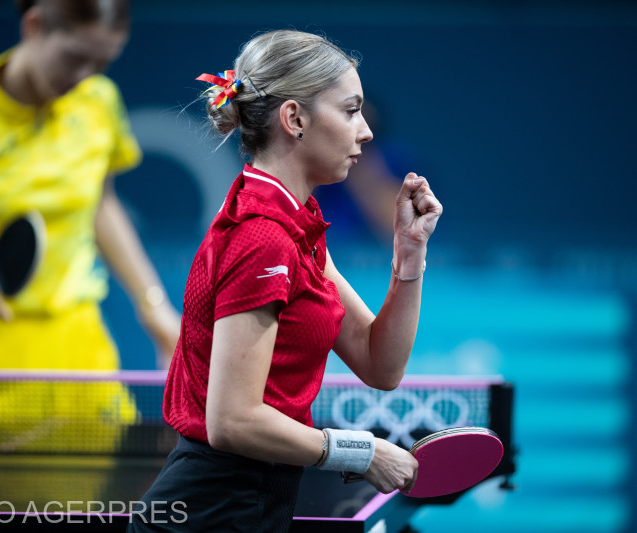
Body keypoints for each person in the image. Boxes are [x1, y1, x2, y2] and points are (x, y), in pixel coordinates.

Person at [130, 30, 443, 532]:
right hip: (209, 510)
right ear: (295, 119)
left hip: (252, 503)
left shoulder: (297, 224)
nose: (365, 132)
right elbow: (232, 420)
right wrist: (359, 452)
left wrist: (409, 255)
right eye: (351, 110)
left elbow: (379, 363)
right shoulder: (263, 239)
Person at [0, 0, 180, 373]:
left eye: (102, 62)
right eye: (75, 57)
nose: (84, 75)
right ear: (34, 24)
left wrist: (154, 307)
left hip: (85, 360)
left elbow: (100, 203)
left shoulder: (98, 100)